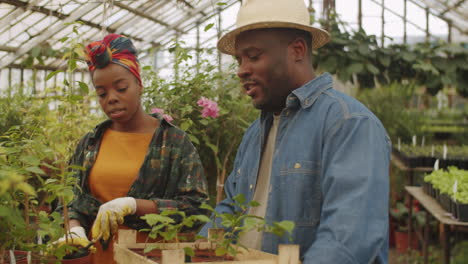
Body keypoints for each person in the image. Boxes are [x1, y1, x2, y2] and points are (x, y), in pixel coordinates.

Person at [199, 0, 391, 263]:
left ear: (297, 50)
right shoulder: (255, 133)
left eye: (253, 56)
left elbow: (348, 241)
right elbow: (231, 207)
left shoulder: (348, 124)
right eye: (239, 59)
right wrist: (195, 250)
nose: (241, 70)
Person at [56, 34, 209, 264]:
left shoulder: (173, 143)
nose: (112, 98)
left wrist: (135, 205)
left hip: (151, 258)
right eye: (102, 93)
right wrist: (74, 228)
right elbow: (68, 199)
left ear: (139, 85)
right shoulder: (90, 144)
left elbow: (196, 209)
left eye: (121, 88)